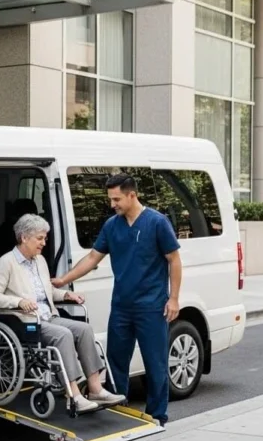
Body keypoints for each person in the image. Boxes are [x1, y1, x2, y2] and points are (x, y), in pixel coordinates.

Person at [51, 174, 181, 426]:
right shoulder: (112, 225)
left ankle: (157, 416)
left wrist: (174, 299)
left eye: (117, 199)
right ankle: (118, 411)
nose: (113, 204)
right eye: (111, 199)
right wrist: (63, 279)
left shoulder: (157, 222)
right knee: (115, 363)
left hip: (152, 306)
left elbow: (174, 260)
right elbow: (92, 258)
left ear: (132, 195)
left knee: (155, 364)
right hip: (121, 306)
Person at [0, 214, 126, 413]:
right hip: (25, 322)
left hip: (48, 316)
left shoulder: (39, 260)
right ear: (24, 237)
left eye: (45, 238)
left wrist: (67, 294)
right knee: (64, 335)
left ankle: (95, 389)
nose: (44, 243)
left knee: (84, 329)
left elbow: (47, 292)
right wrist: (18, 301)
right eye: (40, 238)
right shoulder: (6, 263)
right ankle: (75, 395)